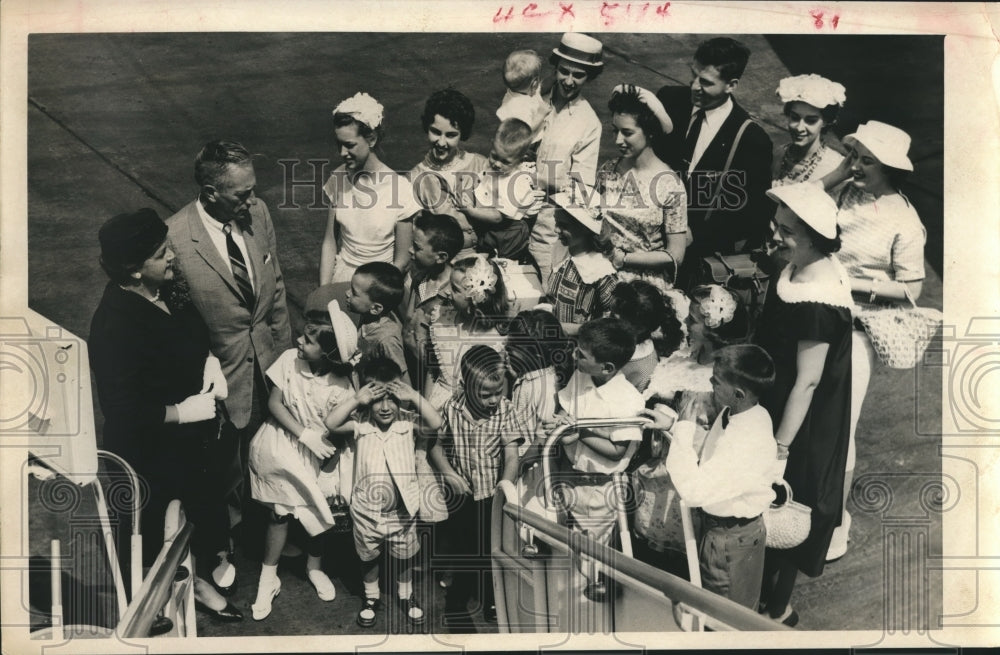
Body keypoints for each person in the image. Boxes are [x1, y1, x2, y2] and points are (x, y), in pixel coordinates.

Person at [90, 208, 242, 622]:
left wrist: (210, 360)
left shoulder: (166, 290)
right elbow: (122, 411)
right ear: (135, 271)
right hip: (147, 450)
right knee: (150, 530)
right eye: (161, 253)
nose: (172, 256)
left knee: (199, 510)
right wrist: (182, 412)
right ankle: (150, 600)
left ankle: (199, 581)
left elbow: (193, 329)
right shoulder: (113, 326)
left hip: (189, 441)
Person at [166, 139, 292, 577]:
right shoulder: (176, 239)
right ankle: (221, 548)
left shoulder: (256, 214)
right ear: (210, 192)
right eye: (241, 193)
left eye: (252, 189)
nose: (252, 200)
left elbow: (274, 288)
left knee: (270, 452)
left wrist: (286, 362)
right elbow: (176, 322)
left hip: (268, 363)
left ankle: (269, 533)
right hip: (218, 377)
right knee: (221, 472)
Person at [818, 119, 927, 560]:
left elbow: (912, 289)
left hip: (857, 327)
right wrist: (839, 173)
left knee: (841, 425)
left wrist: (854, 285)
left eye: (867, 160)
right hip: (817, 312)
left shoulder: (904, 219)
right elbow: (802, 199)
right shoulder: (843, 191)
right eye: (855, 156)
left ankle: (834, 523)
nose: (857, 166)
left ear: (890, 168)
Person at [753, 182, 854, 627]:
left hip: (801, 423)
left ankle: (777, 608)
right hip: (778, 401)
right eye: (777, 226)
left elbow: (808, 382)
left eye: (787, 232)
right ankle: (760, 594)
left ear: (815, 237)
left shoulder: (818, 301)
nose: (776, 237)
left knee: (788, 504)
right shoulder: (798, 268)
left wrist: (779, 448)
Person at [247, 291, 358, 620]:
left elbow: (343, 431)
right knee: (280, 513)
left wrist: (329, 465)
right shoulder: (288, 362)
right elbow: (274, 404)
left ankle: (314, 567)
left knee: (316, 513)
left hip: (320, 454)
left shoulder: (341, 386)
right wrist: (303, 433)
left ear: (327, 353)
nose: (298, 341)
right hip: (283, 445)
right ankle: (269, 576)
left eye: (308, 341)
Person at [642, 344, 778, 610]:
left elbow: (694, 490)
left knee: (723, 616)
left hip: (729, 541)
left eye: (716, 381)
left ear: (738, 393)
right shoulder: (741, 412)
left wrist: (682, 426)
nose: (711, 384)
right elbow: (713, 454)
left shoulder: (747, 440)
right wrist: (671, 426)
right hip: (728, 533)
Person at [324, 356, 444, 628]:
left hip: (402, 512)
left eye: (392, 398)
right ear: (368, 398)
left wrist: (412, 394)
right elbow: (331, 423)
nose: (386, 406)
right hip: (367, 511)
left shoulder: (407, 422)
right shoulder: (361, 424)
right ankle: (371, 596)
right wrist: (357, 399)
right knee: (369, 556)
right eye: (378, 398)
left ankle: (406, 594)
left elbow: (435, 423)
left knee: (404, 555)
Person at [429, 346, 527, 628]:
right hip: (462, 495)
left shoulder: (506, 411)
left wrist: (504, 489)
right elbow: (435, 447)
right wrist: (448, 473)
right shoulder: (451, 408)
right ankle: (459, 596)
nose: (494, 400)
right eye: (486, 395)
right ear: (465, 386)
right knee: (463, 548)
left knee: (491, 548)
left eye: (499, 391)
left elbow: (512, 456)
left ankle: (492, 595)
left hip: (491, 496)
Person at [654, 37, 773, 267]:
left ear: (732, 85)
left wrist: (696, 233)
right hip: (650, 243)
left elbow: (754, 216)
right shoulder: (669, 100)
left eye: (706, 82)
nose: (694, 86)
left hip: (700, 259)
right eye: (693, 75)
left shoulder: (751, 139)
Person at [553, 317, 645, 602]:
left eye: (581, 354)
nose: (573, 355)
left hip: (600, 488)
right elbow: (565, 407)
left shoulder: (628, 401)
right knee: (566, 547)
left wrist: (577, 431)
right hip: (569, 476)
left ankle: (587, 610)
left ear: (607, 368)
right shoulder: (581, 375)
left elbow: (617, 450)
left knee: (590, 555)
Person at [320, 92, 420, 285]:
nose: (342, 153)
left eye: (349, 145)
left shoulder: (400, 189)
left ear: (371, 139)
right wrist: (323, 291)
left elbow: (402, 260)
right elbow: (329, 242)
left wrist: (370, 292)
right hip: (343, 279)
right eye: (339, 144)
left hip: (382, 285)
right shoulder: (337, 178)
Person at [529, 32, 604, 284]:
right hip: (510, 216)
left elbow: (580, 189)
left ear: (589, 76)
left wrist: (539, 181)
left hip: (548, 227)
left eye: (579, 74)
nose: (569, 81)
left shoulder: (588, 123)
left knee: (543, 290)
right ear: (556, 67)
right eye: (564, 71)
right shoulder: (534, 101)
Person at [600, 87, 687, 297]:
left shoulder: (670, 184)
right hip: (602, 279)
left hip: (644, 291)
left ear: (649, 131)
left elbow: (676, 254)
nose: (618, 140)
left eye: (627, 133)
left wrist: (624, 259)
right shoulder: (607, 170)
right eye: (615, 130)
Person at [410, 89, 489, 257]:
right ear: (427, 128)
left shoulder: (480, 164)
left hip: (485, 253)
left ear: (462, 134)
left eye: (451, 135)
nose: (441, 142)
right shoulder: (415, 177)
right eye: (436, 132)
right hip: (441, 261)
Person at [425, 255, 510, 409]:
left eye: (455, 289)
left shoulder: (498, 336)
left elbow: (501, 384)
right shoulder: (441, 318)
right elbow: (433, 370)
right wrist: (425, 407)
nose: (447, 292)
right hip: (438, 404)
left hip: (476, 411)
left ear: (476, 298)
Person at [401, 211, 465, 386]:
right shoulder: (420, 278)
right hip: (412, 365)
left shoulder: (454, 294)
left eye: (417, 247)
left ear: (441, 257)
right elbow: (408, 321)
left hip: (436, 376)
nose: (409, 250)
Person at [459, 118, 537, 262]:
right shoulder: (495, 168)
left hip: (508, 230)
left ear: (520, 160)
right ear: (492, 145)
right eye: (494, 156)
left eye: (505, 161)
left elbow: (497, 217)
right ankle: (484, 256)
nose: (497, 164)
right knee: (485, 249)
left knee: (503, 261)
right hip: (490, 221)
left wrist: (470, 211)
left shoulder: (516, 182)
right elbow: (483, 180)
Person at [543, 189, 618, 335]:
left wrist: (565, 328)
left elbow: (612, 325)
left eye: (564, 225)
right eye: (556, 222)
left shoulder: (600, 271)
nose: (555, 229)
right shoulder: (561, 251)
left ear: (585, 228)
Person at [609, 279, 684, 393]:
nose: (607, 322)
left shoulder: (644, 370)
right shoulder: (619, 338)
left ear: (640, 327)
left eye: (613, 318)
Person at [772, 74, 847, 186]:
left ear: (825, 122)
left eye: (811, 121)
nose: (799, 128)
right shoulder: (778, 154)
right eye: (795, 117)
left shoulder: (836, 167)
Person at [345, 262, 408, 378]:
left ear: (375, 308)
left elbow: (403, 378)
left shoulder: (387, 339)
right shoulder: (368, 316)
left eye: (354, 293)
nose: (347, 293)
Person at [496, 49, 551, 147]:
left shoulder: (519, 89)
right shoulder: (518, 107)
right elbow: (525, 131)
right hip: (528, 143)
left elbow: (539, 88)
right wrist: (540, 114)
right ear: (534, 83)